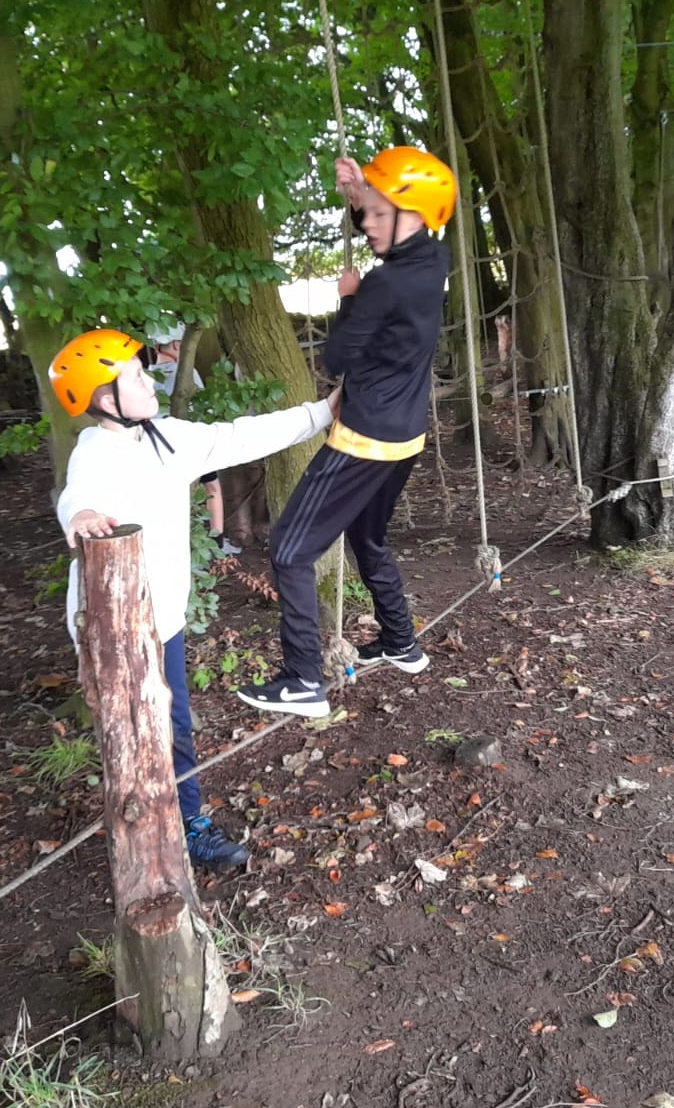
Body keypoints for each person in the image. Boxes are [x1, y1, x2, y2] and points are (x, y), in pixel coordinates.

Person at [52, 328, 339, 869]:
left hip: (163, 616)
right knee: (143, 727)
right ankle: (165, 833)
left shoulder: (166, 437)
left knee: (170, 722)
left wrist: (323, 412)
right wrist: (81, 514)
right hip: (115, 630)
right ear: (107, 402)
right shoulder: (95, 452)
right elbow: (78, 494)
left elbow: (242, 436)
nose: (149, 380)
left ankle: (179, 823)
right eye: (135, 377)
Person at [236, 146, 454, 718]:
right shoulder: (435, 259)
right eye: (369, 212)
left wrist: (349, 300)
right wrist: (362, 194)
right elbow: (396, 231)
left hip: (363, 438)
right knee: (367, 536)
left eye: (381, 215)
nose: (369, 224)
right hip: (406, 435)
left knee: (289, 549)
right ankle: (401, 642)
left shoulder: (383, 285)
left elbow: (337, 358)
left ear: (414, 216)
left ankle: (302, 680)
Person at [145, 323, 242, 557]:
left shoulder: (145, 377)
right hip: (191, 443)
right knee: (212, 487)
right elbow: (203, 411)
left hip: (155, 447)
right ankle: (216, 543)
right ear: (177, 345)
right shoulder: (188, 374)